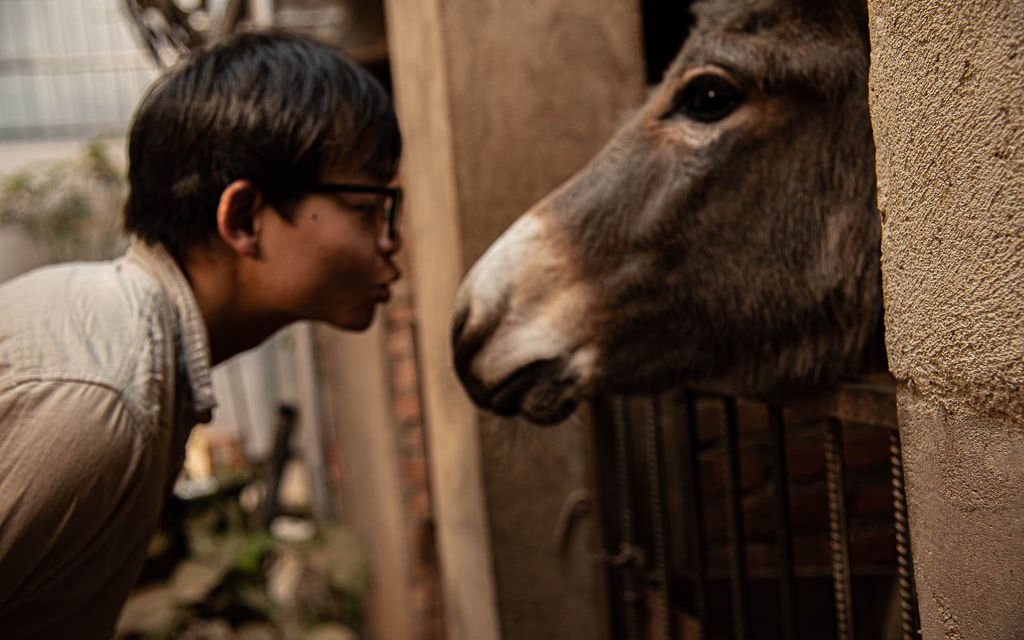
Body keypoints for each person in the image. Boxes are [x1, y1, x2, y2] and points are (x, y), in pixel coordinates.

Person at [0, 31, 402, 639]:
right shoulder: (100, 399)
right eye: (368, 209)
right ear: (244, 220)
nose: (390, 240)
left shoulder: (143, 365)